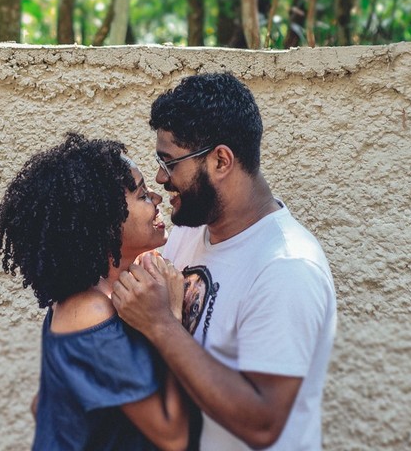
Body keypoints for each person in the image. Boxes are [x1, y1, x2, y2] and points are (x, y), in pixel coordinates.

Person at [112, 72, 337, 450]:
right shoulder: (188, 231)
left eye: (169, 162)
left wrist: (162, 326)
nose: (159, 177)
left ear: (220, 161)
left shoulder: (286, 267)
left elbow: (263, 423)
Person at [0, 132, 191, 451]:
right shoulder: (91, 311)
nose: (156, 198)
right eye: (141, 195)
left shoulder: (105, 293)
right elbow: (173, 437)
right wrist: (171, 318)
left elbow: (41, 403)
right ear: (107, 223)